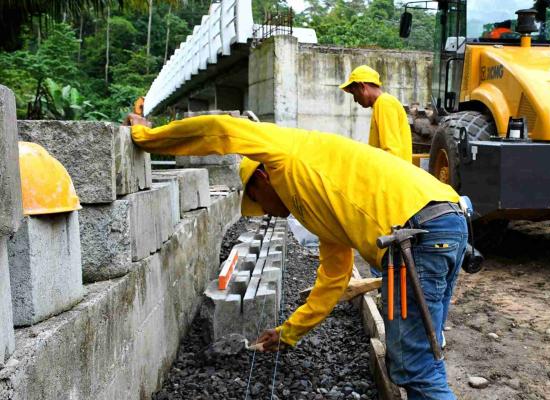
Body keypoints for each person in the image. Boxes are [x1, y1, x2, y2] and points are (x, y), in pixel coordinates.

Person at [126, 113, 466, 400]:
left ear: (261, 178)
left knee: (414, 367)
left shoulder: (285, 156)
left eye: (258, 203)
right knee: (424, 353)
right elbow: (334, 279)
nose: (266, 213)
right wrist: (289, 333)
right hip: (445, 222)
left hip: (417, 236)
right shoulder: (321, 204)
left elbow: (221, 130)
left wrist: (147, 137)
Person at [340, 65, 412, 162]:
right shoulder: (381, 104)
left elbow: (391, 152)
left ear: (362, 86)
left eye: (354, 93)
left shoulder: (384, 103)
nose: (355, 99)